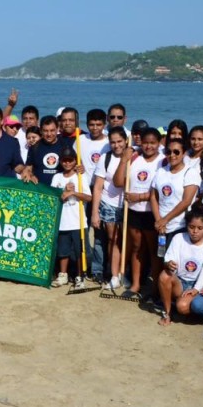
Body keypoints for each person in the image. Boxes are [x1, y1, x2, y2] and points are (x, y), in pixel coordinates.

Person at [114, 128, 160, 300]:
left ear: (158, 143)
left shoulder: (163, 161)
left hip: (151, 212)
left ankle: (154, 289)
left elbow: (162, 192)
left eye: (152, 143)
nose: (148, 146)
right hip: (133, 211)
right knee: (136, 248)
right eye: (146, 142)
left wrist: (140, 197)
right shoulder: (134, 157)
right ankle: (135, 285)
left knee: (153, 252)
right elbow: (119, 182)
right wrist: (124, 160)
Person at [151, 137, 200, 281]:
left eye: (176, 152)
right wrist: (158, 220)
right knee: (160, 259)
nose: (172, 155)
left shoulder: (190, 173)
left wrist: (165, 220)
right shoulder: (161, 171)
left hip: (179, 225)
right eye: (168, 152)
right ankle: (156, 293)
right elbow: (153, 197)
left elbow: (186, 202)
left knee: (175, 263)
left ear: (184, 153)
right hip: (161, 226)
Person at [157, 210, 203, 326]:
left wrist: (196, 289)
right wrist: (169, 264)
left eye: (200, 228)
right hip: (180, 282)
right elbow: (168, 260)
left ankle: (190, 309)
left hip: (198, 285)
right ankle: (167, 313)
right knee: (164, 275)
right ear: (186, 226)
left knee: (182, 307)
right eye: (191, 227)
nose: (195, 231)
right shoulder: (179, 238)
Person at [91, 127, 128, 289]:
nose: (116, 145)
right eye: (112, 142)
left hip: (128, 205)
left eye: (119, 141)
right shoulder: (106, 158)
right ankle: (114, 275)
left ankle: (123, 273)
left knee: (128, 241)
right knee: (114, 240)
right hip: (108, 203)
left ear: (126, 141)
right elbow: (98, 187)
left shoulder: (133, 157)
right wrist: (94, 213)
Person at [50, 148, 91, 289]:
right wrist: (64, 192)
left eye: (70, 160)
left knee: (80, 250)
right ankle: (63, 275)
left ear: (75, 161)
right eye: (64, 160)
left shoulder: (80, 177)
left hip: (78, 221)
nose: (67, 163)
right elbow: (53, 198)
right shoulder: (57, 177)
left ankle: (80, 276)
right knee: (63, 250)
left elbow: (88, 197)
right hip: (62, 221)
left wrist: (73, 192)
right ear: (61, 161)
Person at [22, 116, 63, 186]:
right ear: (40, 130)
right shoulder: (34, 147)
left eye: (52, 130)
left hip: (59, 190)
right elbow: (27, 169)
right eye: (45, 131)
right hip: (40, 190)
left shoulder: (65, 146)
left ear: (57, 129)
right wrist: (30, 175)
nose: (49, 134)